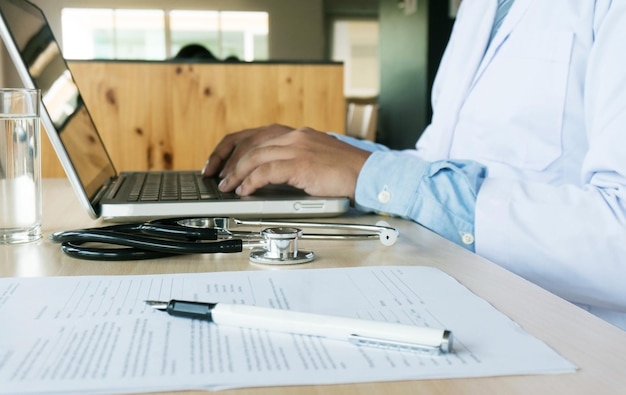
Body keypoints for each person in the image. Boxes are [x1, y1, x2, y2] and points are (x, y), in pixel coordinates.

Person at [202, 0, 626, 330]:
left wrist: (370, 172)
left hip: (576, 341)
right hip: (456, 297)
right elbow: (441, 164)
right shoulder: (481, 8)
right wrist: (317, 153)